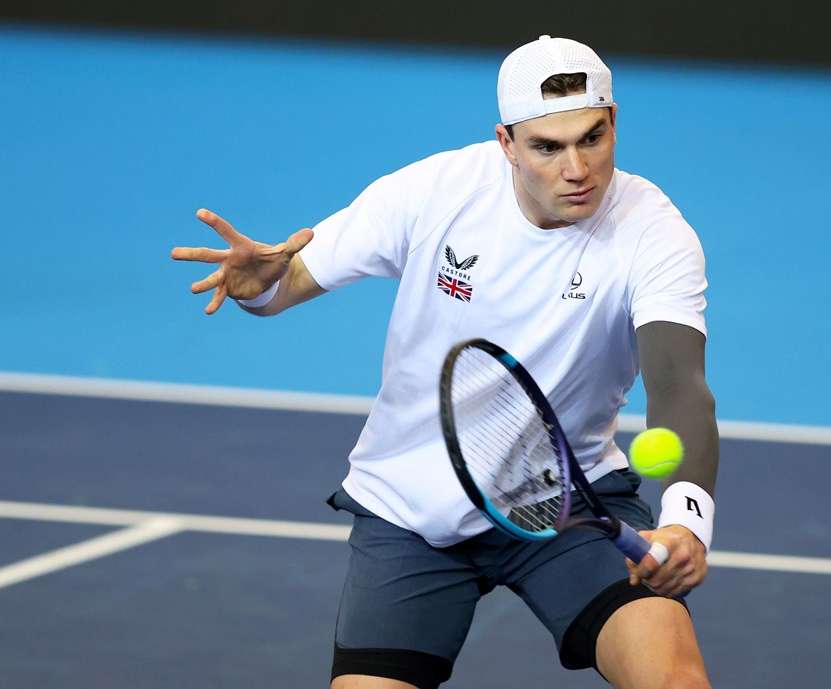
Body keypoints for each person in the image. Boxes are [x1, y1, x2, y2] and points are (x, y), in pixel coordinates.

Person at [172, 34, 719, 689]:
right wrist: (258, 283)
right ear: (507, 143)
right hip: (412, 507)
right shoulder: (434, 192)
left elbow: (679, 384)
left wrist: (688, 519)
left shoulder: (653, 232)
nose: (577, 168)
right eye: (548, 146)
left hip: (563, 497)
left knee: (674, 679)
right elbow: (283, 285)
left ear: (614, 123)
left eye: (592, 138)